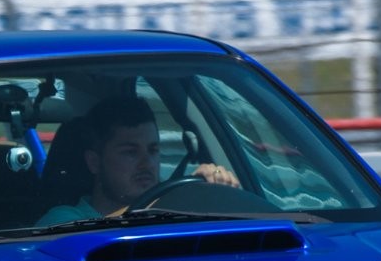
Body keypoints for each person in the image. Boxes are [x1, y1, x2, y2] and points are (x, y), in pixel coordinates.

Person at [33, 94, 237, 227]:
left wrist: (217, 189)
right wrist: (176, 202)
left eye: (153, 150)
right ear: (94, 162)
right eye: (130, 152)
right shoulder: (62, 220)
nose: (147, 163)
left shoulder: (173, 212)